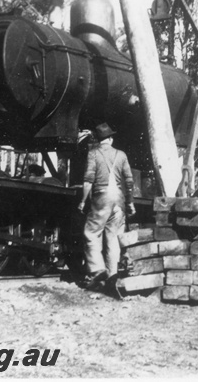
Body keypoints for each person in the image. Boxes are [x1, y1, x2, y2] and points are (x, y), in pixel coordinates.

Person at [77, 123, 135, 291]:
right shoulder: (121, 155)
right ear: (110, 139)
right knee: (113, 238)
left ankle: (97, 269)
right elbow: (129, 182)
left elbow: (88, 180)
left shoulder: (93, 154)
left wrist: (82, 200)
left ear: (99, 139)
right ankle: (112, 277)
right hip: (119, 199)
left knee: (91, 232)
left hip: (102, 197)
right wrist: (130, 202)